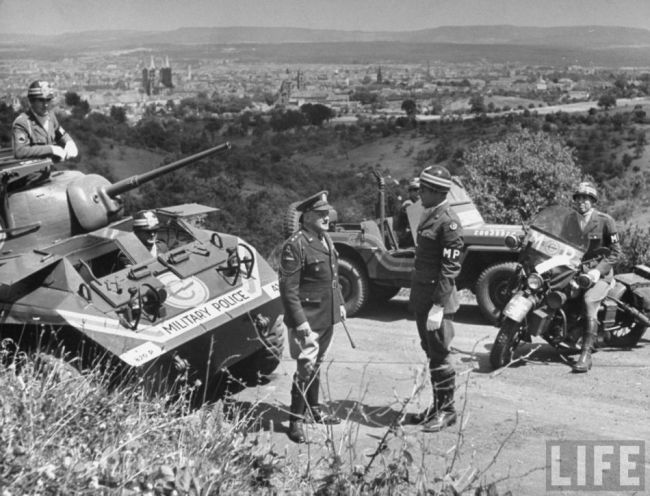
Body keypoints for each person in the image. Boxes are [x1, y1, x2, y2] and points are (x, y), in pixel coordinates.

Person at [279, 191, 346, 443]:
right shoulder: (295, 244)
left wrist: (338, 303)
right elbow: (288, 289)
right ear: (306, 217)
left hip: (326, 315)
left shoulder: (324, 238)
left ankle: (314, 409)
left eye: (326, 213)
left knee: (317, 362)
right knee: (305, 367)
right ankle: (295, 419)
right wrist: (300, 323)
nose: (326, 217)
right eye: (320, 214)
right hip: (307, 318)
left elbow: (333, 276)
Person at [405, 165, 463, 432]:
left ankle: (447, 410)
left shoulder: (448, 221)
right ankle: (437, 406)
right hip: (423, 295)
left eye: (423, 191)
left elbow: (450, 268)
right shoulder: (430, 214)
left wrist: (439, 306)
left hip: (436, 299)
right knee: (431, 352)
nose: (419, 195)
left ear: (436, 192)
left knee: (440, 354)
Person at [567, 181, 622, 373]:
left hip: (600, 274)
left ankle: (586, 354)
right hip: (574, 270)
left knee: (589, 300)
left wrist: (598, 271)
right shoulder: (569, 220)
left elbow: (615, 253)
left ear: (593, 201)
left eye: (586, 198)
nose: (581, 202)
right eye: (579, 198)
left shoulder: (605, 221)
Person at [12, 80, 78, 161]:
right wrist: (51, 149)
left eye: (48, 99)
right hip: (31, 172)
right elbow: (19, 151)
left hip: (48, 170)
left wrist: (69, 142)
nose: (45, 104)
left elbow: (60, 133)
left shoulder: (50, 116)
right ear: (31, 101)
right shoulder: (22, 122)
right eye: (40, 100)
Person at [394, 178, 420, 248]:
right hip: (407, 239)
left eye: (420, 189)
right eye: (415, 189)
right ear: (410, 192)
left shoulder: (421, 204)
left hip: (414, 236)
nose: (418, 191)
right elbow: (416, 224)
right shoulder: (408, 205)